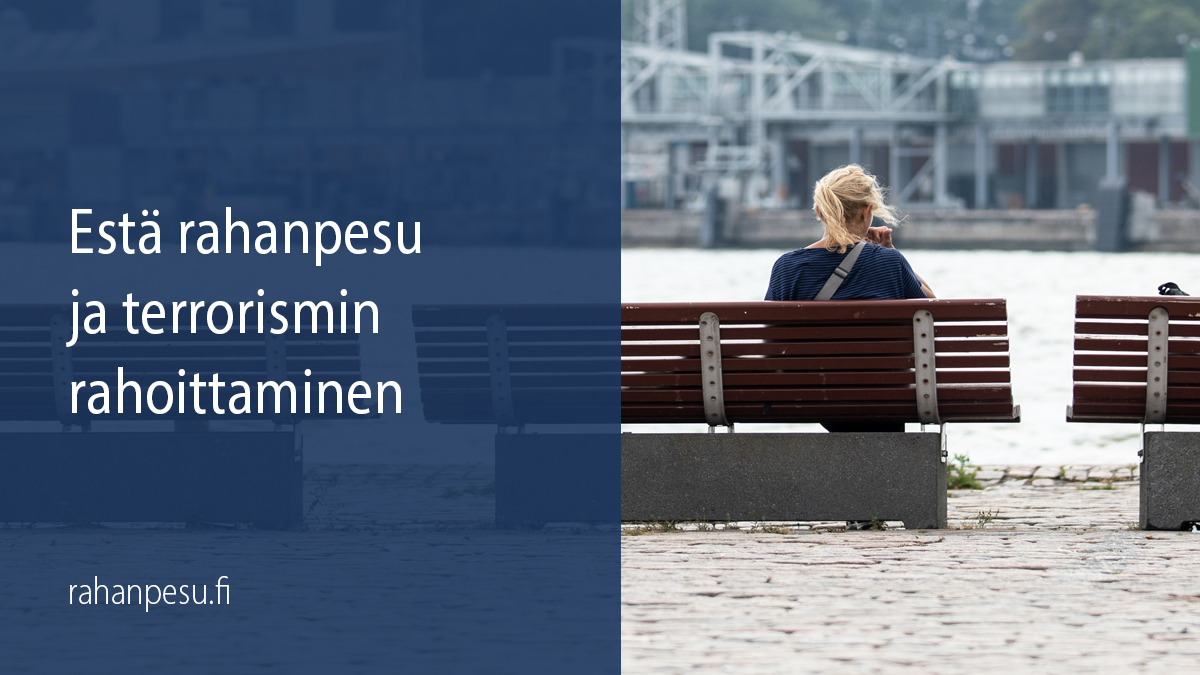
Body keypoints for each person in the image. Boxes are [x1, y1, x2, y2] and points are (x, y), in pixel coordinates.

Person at [765, 164, 934, 435]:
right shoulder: (889, 261)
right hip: (884, 393)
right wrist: (891, 252)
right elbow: (929, 310)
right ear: (867, 211)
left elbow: (772, 344)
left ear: (819, 211)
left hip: (816, 397)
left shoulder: (787, 267)